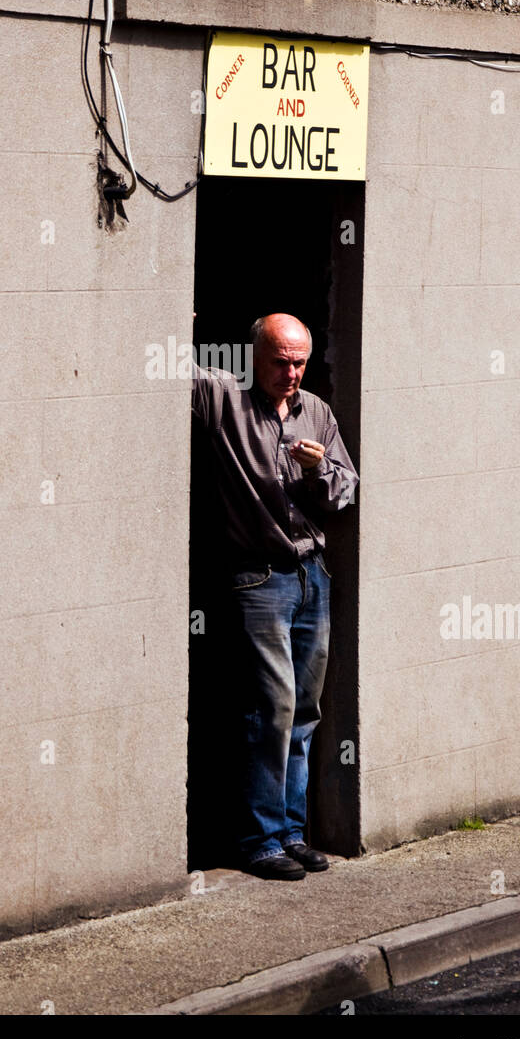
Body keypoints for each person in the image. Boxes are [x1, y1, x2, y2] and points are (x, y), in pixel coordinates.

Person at [191, 313, 359, 881]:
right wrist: (168, 322)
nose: (292, 373)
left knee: (305, 711)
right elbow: (174, 375)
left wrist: (318, 472)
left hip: (312, 573)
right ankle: (259, 838)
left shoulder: (317, 411)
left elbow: (345, 491)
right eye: (280, 361)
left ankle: (291, 832)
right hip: (257, 579)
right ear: (254, 355)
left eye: (300, 362)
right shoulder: (225, 398)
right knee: (271, 709)